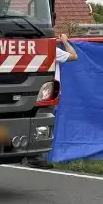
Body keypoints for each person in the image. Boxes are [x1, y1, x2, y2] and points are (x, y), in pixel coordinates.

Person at [27, 34, 79, 169]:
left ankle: (28, 155)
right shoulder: (52, 50)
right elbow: (74, 56)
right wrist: (65, 42)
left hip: (31, 92)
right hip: (48, 93)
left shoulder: (29, 49)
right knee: (43, 124)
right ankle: (37, 157)